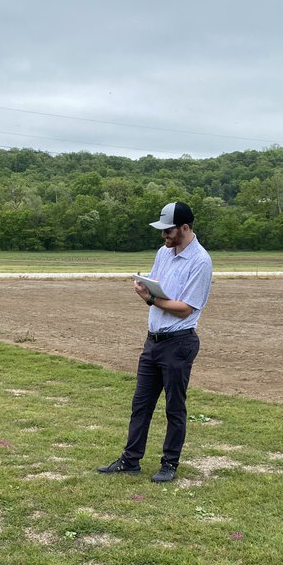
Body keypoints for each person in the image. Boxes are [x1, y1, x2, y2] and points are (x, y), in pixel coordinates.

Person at [98, 201, 212, 483]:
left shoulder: (200, 261)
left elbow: (186, 307)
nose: (164, 236)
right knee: (141, 404)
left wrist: (149, 298)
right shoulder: (164, 252)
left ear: (185, 228)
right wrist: (145, 286)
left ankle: (169, 464)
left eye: (168, 231)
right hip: (154, 342)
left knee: (174, 407)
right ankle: (130, 460)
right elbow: (158, 285)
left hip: (179, 342)